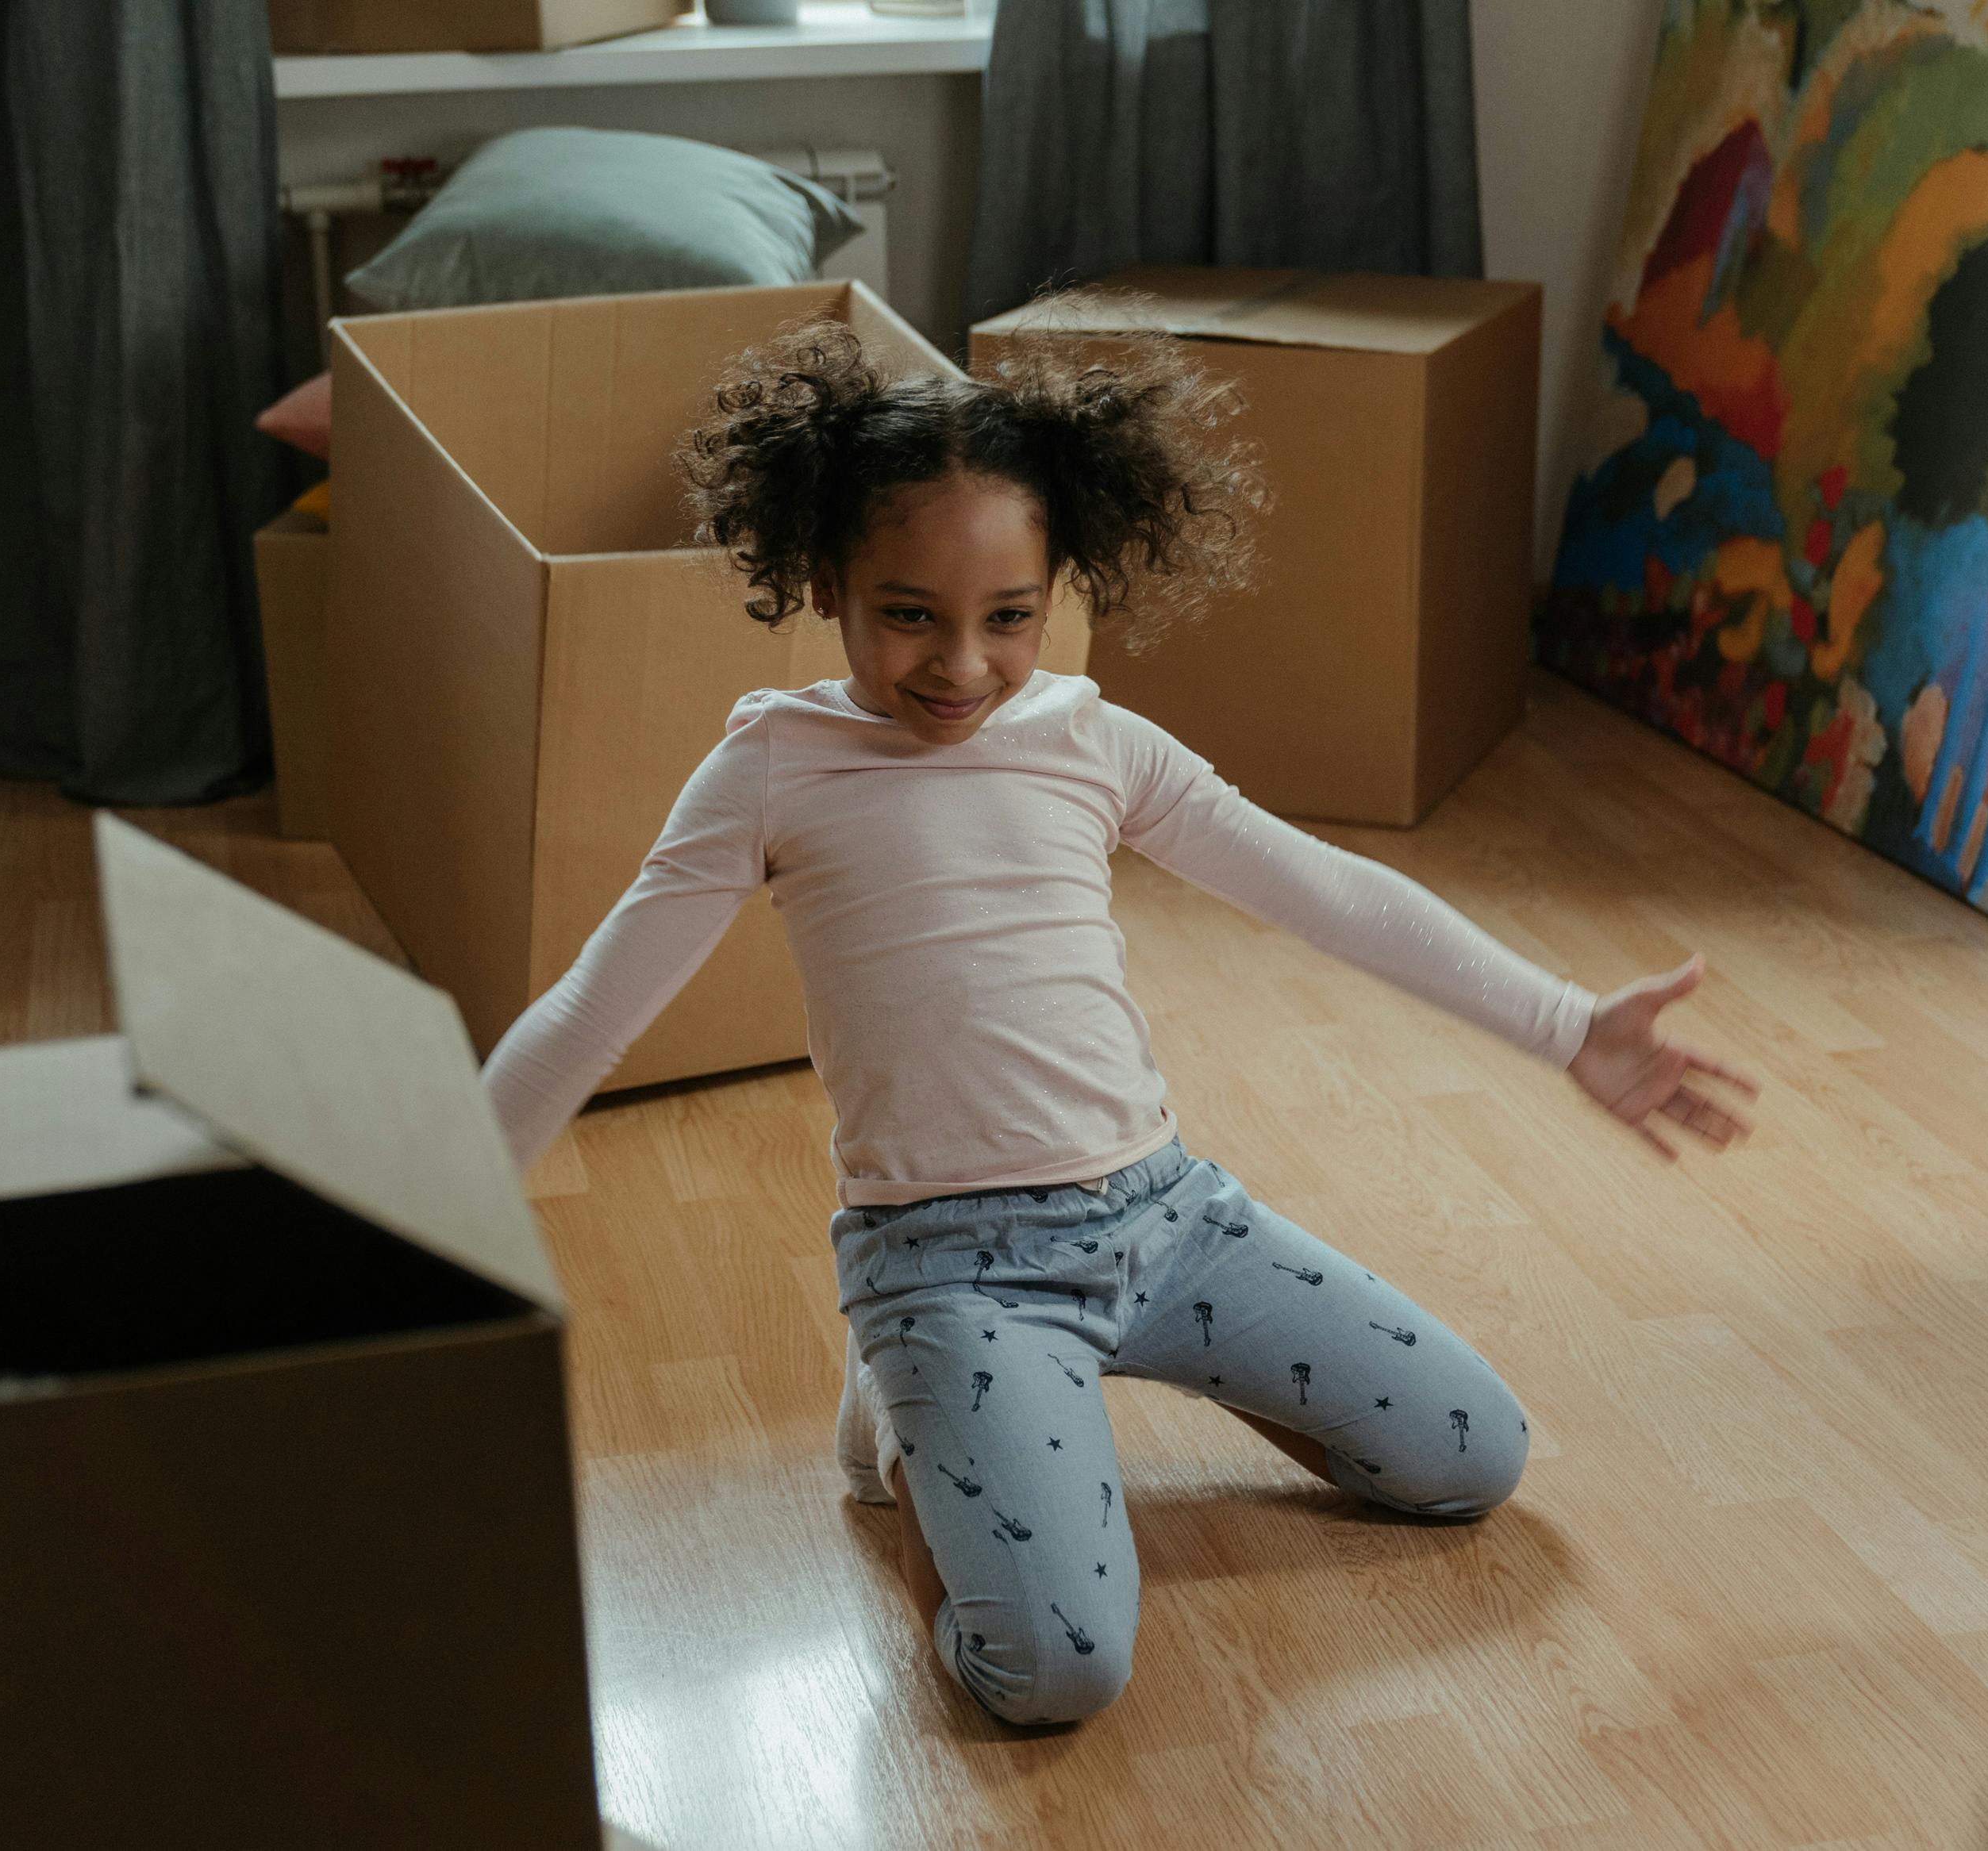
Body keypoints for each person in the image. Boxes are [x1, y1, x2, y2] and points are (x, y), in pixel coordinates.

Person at [481, 316, 1759, 1728]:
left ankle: (1072, 1398)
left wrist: (1569, 1024)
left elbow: (1328, 891)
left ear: (1056, 590)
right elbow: (594, 1007)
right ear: (824, 577)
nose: (962, 663)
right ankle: (910, 1418)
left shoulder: (1094, 740)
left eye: (1009, 616)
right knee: (1054, 1672)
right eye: (909, 612)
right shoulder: (773, 768)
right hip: (949, 1262)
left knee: (1472, 1455)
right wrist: (434, 1209)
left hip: (1167, 1216)